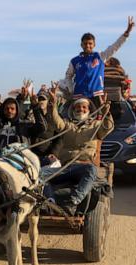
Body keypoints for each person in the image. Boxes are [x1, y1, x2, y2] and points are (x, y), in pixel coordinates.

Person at [43, 83, 114, 215]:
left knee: (91, 169)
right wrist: (52, 104)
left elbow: (107, 128)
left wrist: (106, 113)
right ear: (73, 109)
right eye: (77, 107)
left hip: (83, 167)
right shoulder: (67, 124)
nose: (80, 109)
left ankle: (73, 202)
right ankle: (50, 203)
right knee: (39, 175)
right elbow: (56, 121)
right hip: (65, 167)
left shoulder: (96, 125)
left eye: (83, 107)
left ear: (88, 109)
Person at [61, 16, 135, 106]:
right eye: (85, 43)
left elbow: (115, 47)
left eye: (90, 43)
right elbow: (68, 76)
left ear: (94, 44)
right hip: (79, 96)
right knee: (77, 118)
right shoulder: (75, 61)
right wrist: (71, 89)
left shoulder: (100, 56)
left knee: (101, 118)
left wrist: (127, 32)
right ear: (81, 44)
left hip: (97, 95)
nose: (87, 45)